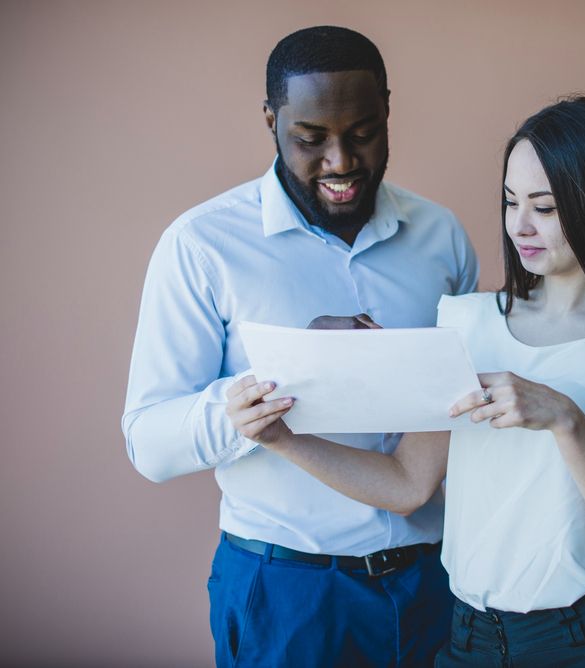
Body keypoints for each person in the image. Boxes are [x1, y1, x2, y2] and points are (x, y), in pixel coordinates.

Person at [228, 96, 585, 666]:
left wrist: (565, 418)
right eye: (511, 202)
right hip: (468, 640)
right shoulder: (466, 321)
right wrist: (282, 440)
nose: (520, 225)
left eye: (545, 206)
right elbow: (408, 483)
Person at [122, 26, 478, 668]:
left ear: (388, 111)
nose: (340, 162)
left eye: (363, 132)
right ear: (271, 120)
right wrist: (278, 379)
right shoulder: (202, 246)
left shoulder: (441, 238)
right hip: (286, 595)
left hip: (434, 583)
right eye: (310, 140)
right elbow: (148, 442)